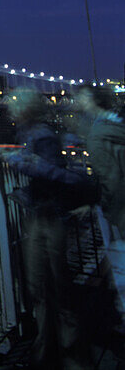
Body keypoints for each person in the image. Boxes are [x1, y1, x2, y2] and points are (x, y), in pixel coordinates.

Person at [5, 88, 94, 370]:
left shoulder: (42, 136)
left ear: (26, 109)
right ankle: (49, 350)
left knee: (55, 286)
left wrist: (13, 159)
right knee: (40, 285)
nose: (10, 111)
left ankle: (67, 354)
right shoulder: (29, 134)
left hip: (50, 218)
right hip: (38, 216)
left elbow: (50, 171)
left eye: (14, 106)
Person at [75, 83, 125, 320]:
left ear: (92, 101)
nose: (78, 102)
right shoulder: (117, 125)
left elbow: (110, 178)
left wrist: (106, 208)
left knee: (121, 269)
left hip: (119, 212)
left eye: (82, 98)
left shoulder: (97, 135)